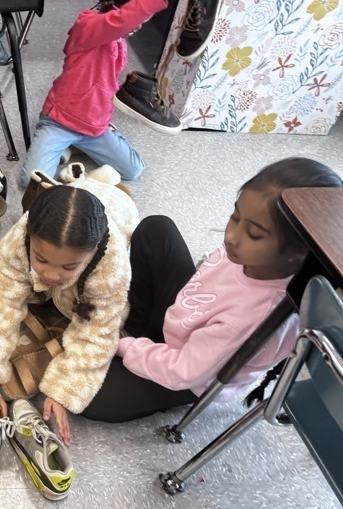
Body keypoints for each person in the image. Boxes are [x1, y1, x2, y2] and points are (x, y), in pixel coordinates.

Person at [80, 157, 343, 422]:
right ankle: (134, 327)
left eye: (254, 234)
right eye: (235, 216)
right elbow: (207, 284)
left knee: (91, 396)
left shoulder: (249, 318)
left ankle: (134, 343)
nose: (231, 236)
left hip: (192, 374)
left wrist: (123, 346)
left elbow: (182, 371)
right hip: (188, 325)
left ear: (297, 251)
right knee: (157, 229)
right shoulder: (247, 254)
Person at [0, 173, 140, 446]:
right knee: (11, 291)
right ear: (29, 235)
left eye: (69, 266)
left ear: (93, 252)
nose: (50, 274)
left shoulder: (112, 267)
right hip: (76, 200)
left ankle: (108, 182)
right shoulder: (19, 237)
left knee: (78, 312)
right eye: (41, 259)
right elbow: (1, 303)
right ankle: (97, 178)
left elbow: (98, 335)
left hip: (119, 208)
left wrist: (62, 391)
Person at [17, 0, 207, 186]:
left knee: (134, 169)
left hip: (95, 127)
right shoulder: (86, 25)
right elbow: (125, 19)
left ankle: (74, 147)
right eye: (138, 17)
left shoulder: (120, 44)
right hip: (59, 122)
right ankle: (64, 144)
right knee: (30, 180)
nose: (140, 24)